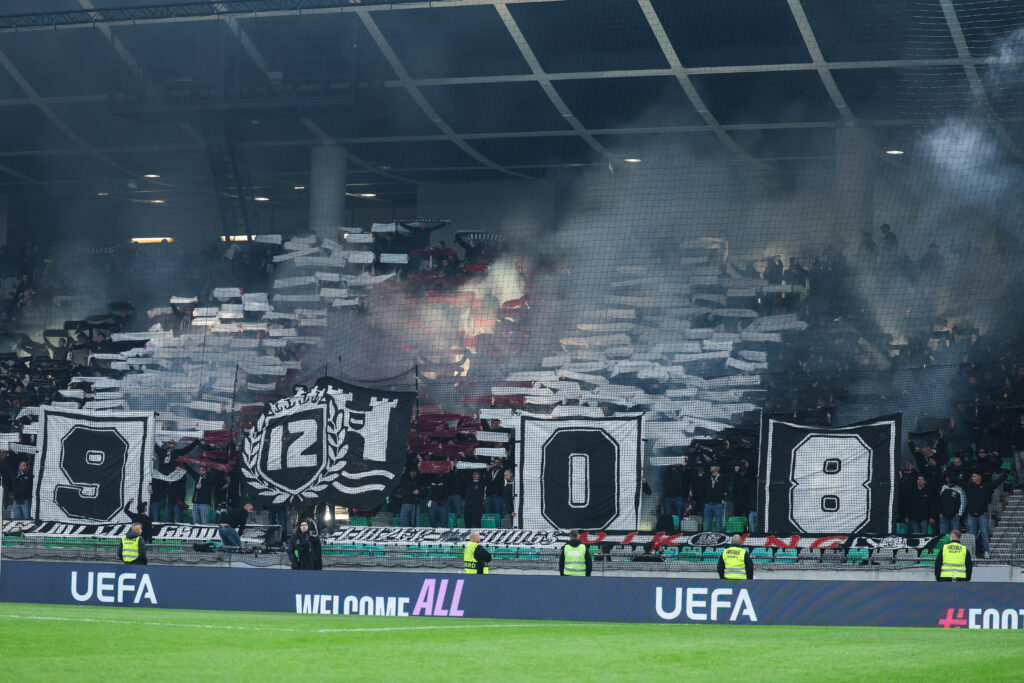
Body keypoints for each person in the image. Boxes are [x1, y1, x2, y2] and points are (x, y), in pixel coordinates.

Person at [964, 471, 1008, 558]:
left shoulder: (986, 486)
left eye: (974, 476)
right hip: (971, 514)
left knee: (984, 533)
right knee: (971, 535)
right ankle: (972, 553)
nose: (972, 478)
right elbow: (958, 481)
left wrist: (1005, 475)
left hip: (982, 514)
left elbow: (997, 482)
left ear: (979, 477)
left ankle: (986, 552)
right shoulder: (969, 486)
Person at [701, 463, 728, 533]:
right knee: (707, 526)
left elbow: (725, 490)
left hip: (718, 504)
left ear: (717, 468)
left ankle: (720, 541)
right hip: (708, 504)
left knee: (719, 526)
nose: (710, 467)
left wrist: (721, 496)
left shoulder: (722, 478)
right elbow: (703, 490)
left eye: (712, 466)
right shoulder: (707, 478)